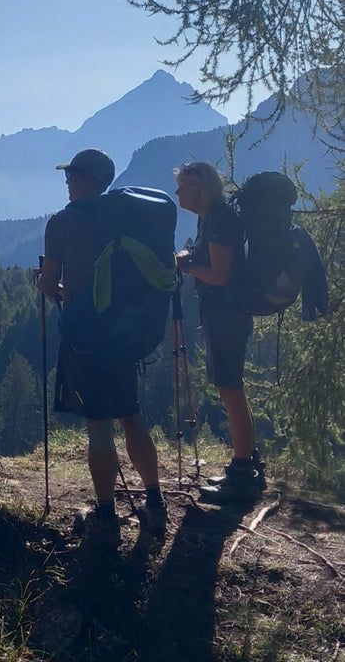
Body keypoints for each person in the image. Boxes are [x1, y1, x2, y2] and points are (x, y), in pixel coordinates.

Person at [36, 148, 168, 541]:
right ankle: (155, 502)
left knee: (99, 427)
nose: (66, 180)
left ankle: (106, 515)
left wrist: (49, 288)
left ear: (85, 178)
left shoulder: (61, 222)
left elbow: (48, 283)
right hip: (126, 331)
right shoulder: (125, 217)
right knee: (131, 414)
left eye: (72, 173)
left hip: (87, 335)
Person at [174, 161, 263, 502]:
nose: (178, 192)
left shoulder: (221, 220)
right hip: (224, 313)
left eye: (183, 186)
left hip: (227, 313)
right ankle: (247, 464)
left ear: (201, 190)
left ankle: (241, 473)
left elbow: (220, 275)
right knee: (232, 389)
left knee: (230, 389)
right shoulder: (210, 218)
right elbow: (205, 258)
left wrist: (189, 267)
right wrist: (187, 256)